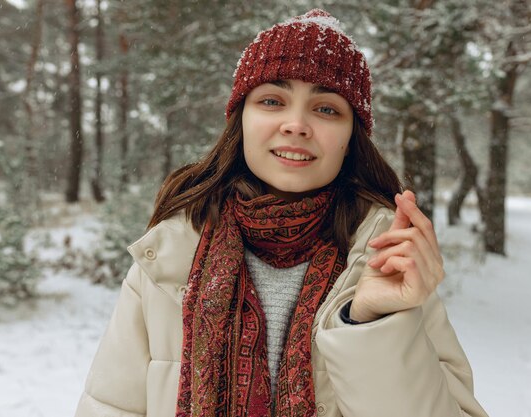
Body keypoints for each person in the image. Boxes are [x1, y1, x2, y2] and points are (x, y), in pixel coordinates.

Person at [75, 8, 488, 417]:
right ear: (242, 121)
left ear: (351, 137)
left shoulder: (387, 258)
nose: (296, 124)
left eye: (327, 108)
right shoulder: (167, 257)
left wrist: (370, 323)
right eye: (272, 101)